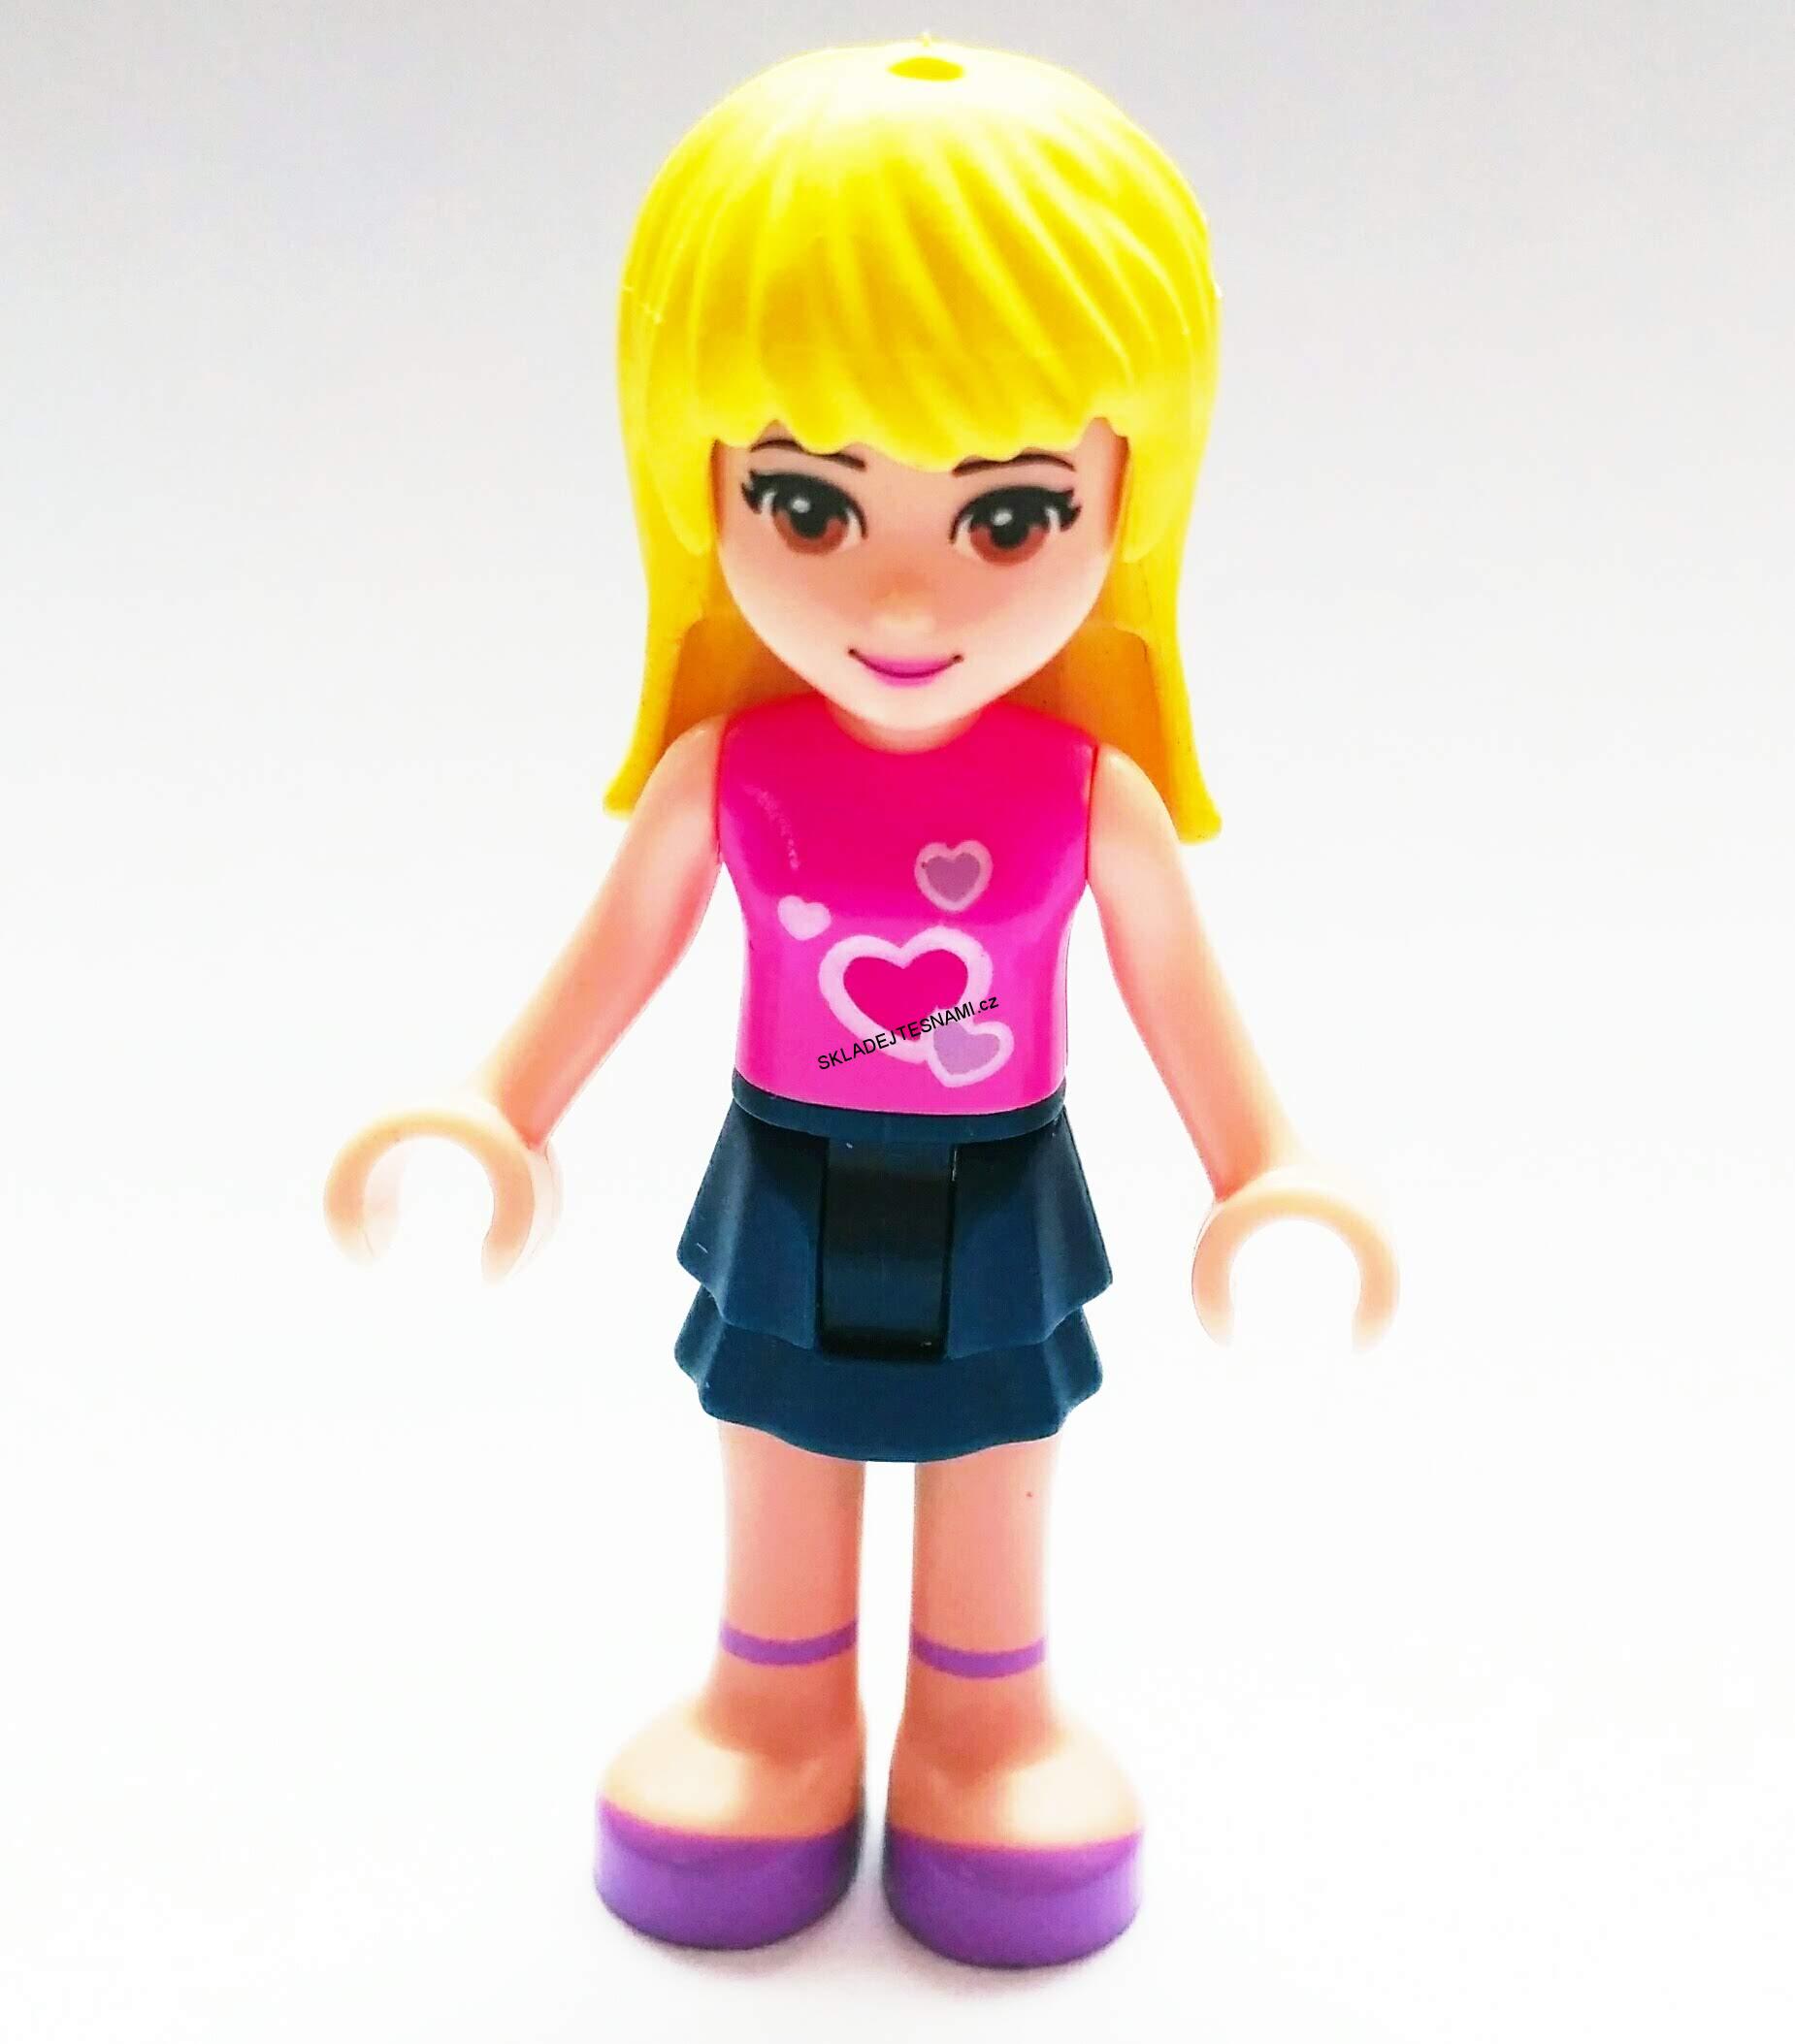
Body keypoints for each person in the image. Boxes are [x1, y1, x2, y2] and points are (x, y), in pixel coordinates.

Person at [326, 38, 1396, 1967]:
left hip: (1002, 1185)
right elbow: (606, 970)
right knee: (777, 1438)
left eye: (1007, 518)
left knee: (995, 1449)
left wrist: (1267, 1180)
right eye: (811, 508)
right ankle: (777, 1709)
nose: (905, 607)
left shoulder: (1086, 797)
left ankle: (986, 1723)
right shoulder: (726, 778)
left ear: (1127, 500)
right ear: (701, 489)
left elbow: (1183, 1006)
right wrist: (492, 1120)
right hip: (787, 1176)